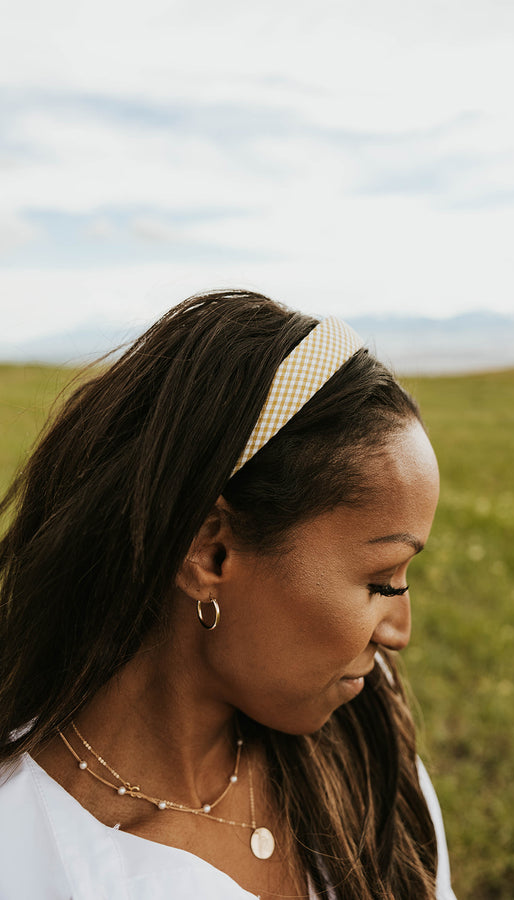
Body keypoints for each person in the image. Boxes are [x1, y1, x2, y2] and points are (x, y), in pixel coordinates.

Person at [0, 290, 456, 900]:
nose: (400, 630)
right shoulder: (26, 853)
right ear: (208, 553)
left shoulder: (366, 743)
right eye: (381, 582)